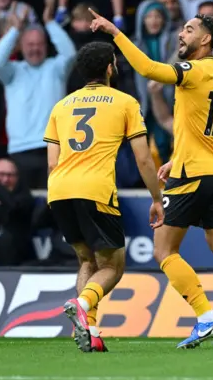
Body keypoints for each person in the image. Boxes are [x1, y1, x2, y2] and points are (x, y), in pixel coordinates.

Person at [90, 8, 213, 349]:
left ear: (205, 39)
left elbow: (148, 69)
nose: (181, 34)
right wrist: (176, 158)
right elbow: (202, 128)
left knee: (163, 251)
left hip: (194, 176)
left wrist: (115, 32)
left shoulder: (196, 69)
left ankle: (206, 317)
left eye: (189, 30)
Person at [44, 41, 164, 353]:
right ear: (110, 68)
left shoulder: (61, 106)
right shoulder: (125, 102)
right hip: (95, 189)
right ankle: (82, 303)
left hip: (58, 189)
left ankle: (87, 329)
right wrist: (157, 197)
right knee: (113, 266)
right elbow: (144, 159)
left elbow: (51, 162)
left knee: (86, 259)